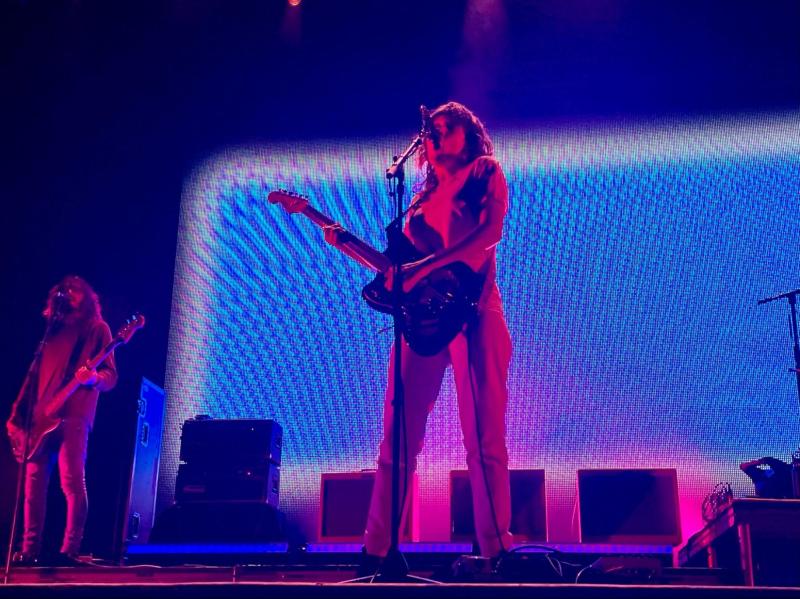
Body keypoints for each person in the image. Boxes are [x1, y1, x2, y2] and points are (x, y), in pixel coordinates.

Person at [325, 101, 513, 561]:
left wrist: (428, 264)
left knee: (483, 439)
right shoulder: (418, 200)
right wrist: (346, 244)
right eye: (431, 130)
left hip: (475, 311)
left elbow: (490, 234)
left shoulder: (483, 171)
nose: (434, 135)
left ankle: (494, 552)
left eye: (446, 128)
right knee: (397, 435)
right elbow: (402, 272)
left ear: (469, 134)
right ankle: (377, 548)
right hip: (422, 319)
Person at [6, 275, 118, 566]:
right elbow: (32, 380)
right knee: (32, 486)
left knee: (71, 482)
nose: (68, 293)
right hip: (41, 418)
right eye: (63, 289)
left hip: (74, 417)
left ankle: (69, 550)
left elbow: (111, 377)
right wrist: (17, 414)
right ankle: (28, 551)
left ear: (88, 296)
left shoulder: (98, 329)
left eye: (75, 289)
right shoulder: (51, 332)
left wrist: (93, 378)